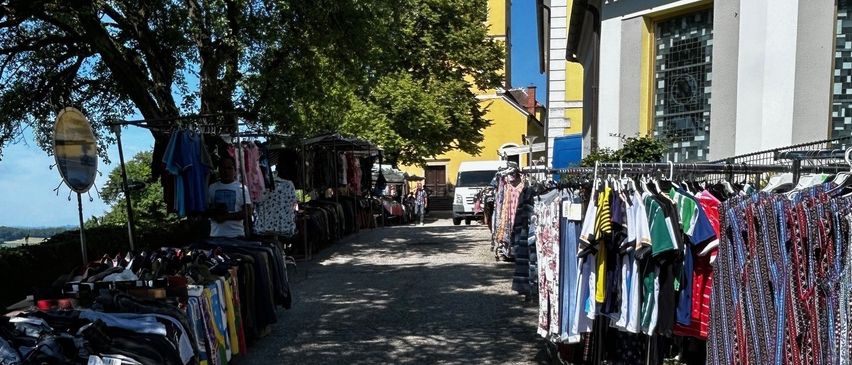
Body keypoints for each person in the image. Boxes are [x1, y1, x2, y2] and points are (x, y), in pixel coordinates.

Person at [207, 156, 252, 238]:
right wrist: (215, 213)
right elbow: (206, 210)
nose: (226, 171)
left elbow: (248, 212)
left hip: (236, 236)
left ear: (235, 170)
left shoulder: (242, 188)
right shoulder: (212, 188)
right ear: (219, 169)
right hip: (216, 235)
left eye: (229, 168)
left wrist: (227, 216)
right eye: (223, 168)